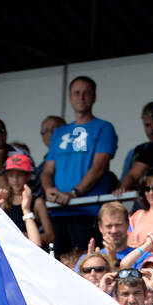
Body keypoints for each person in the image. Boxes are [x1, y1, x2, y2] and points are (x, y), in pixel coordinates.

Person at [42, 76, 118, 254]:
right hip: (58, 211)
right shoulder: (59, 132)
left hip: (87, 210)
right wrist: (48, 190)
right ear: (70, 97)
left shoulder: (104, 128)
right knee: (60, 267)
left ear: (94, 97)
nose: (81, 97)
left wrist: (74, 193)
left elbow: (99, 168)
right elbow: (47, 170)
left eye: (86, 93)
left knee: (87, 265)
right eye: (76, 93)